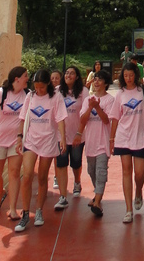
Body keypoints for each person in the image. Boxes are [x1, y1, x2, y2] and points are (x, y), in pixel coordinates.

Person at [14, 69, 68, 233]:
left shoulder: (55, 97)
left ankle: (38, 211)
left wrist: (63, 138)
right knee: (28, 175)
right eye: (36, 87)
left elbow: (60, 120)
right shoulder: (30, 97)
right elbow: (22, 118)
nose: (39, 90)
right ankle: (25, 214)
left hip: (48, 141)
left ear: (48, 85)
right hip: (31, 140)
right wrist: (19, 137)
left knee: (43, 177)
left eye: (42, 88)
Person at [109, 61, 144, 223]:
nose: (128, 78)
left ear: (135, 76)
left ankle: (139, 191)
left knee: (139, 173)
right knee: (126, 171)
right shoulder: (120, 94)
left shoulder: (143, 90)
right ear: (122, 77)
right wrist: (112, 138)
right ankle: (128, 209)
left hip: (140, 137)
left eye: (131, 75)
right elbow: (115, 117)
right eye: (125, 76)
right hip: (123, 137)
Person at [0, 66, 29, 220]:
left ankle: (13, 209)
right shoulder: (2, 92)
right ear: (16, 79)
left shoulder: (27, 95)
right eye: (25, 76)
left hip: (17, 140)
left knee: (14, 173)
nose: (27, 78)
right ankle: (0, 194)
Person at [74, 68, 113, 217]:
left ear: (106, 83)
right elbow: (83, 120)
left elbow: (106, 120)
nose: (96, 82)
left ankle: (97, 202)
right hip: (90, 142)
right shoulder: (87, 100)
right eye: (95, 79)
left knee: (101, 170)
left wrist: (97, 107)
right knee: (91, 171)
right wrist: (91, 107)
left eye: (100, 79)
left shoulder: (110, 100)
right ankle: (97, 194)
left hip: (103, 142)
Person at [54, 66, 88, 207]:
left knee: (76, 162)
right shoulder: (57, 91)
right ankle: (63, 195)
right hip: (60, 136)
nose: (68, 75)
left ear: (77, 77)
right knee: (61, 164)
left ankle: (77, 181)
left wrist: (79, 133)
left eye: (72, 73)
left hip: (77, 135)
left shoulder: (83, 92)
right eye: (67, 73)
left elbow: (86, 113)